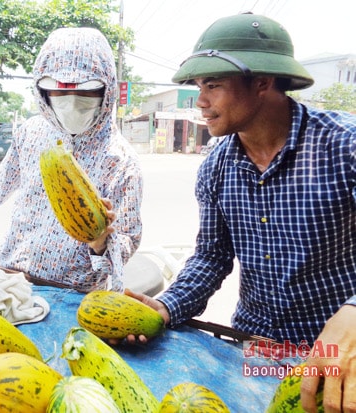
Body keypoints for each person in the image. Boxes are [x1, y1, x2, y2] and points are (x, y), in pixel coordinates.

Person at [117, 13, 355, 412]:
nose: (201, 101)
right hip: (253, 349)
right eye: (198, 86)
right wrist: (166, 305)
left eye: (213, 86)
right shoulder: (216, 166)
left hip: (335, 353)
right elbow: (211, 257)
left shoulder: (344, 146)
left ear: (262, 83)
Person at [0, 27, 143, 293]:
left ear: (107, 90)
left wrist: (101, 243)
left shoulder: (121, 161)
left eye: (86, 92)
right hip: (13, 275)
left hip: (73, 292)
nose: (71, 102)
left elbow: (128, 239)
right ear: (43, 92)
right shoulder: (31, 133)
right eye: (59, 91)